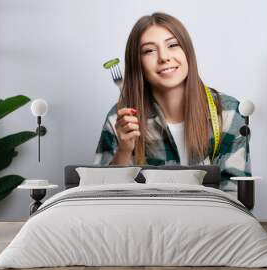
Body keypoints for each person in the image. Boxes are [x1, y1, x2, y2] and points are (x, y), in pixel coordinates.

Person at [94, 12, 251, 190]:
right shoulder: (119, 119)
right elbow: (102, 197)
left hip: (210, 217)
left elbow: (236, 194)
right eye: (149, 50)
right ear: (137, 63)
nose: (164, 57)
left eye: (173, 45)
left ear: (187, 52)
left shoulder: (228, 113)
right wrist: (124, 150)